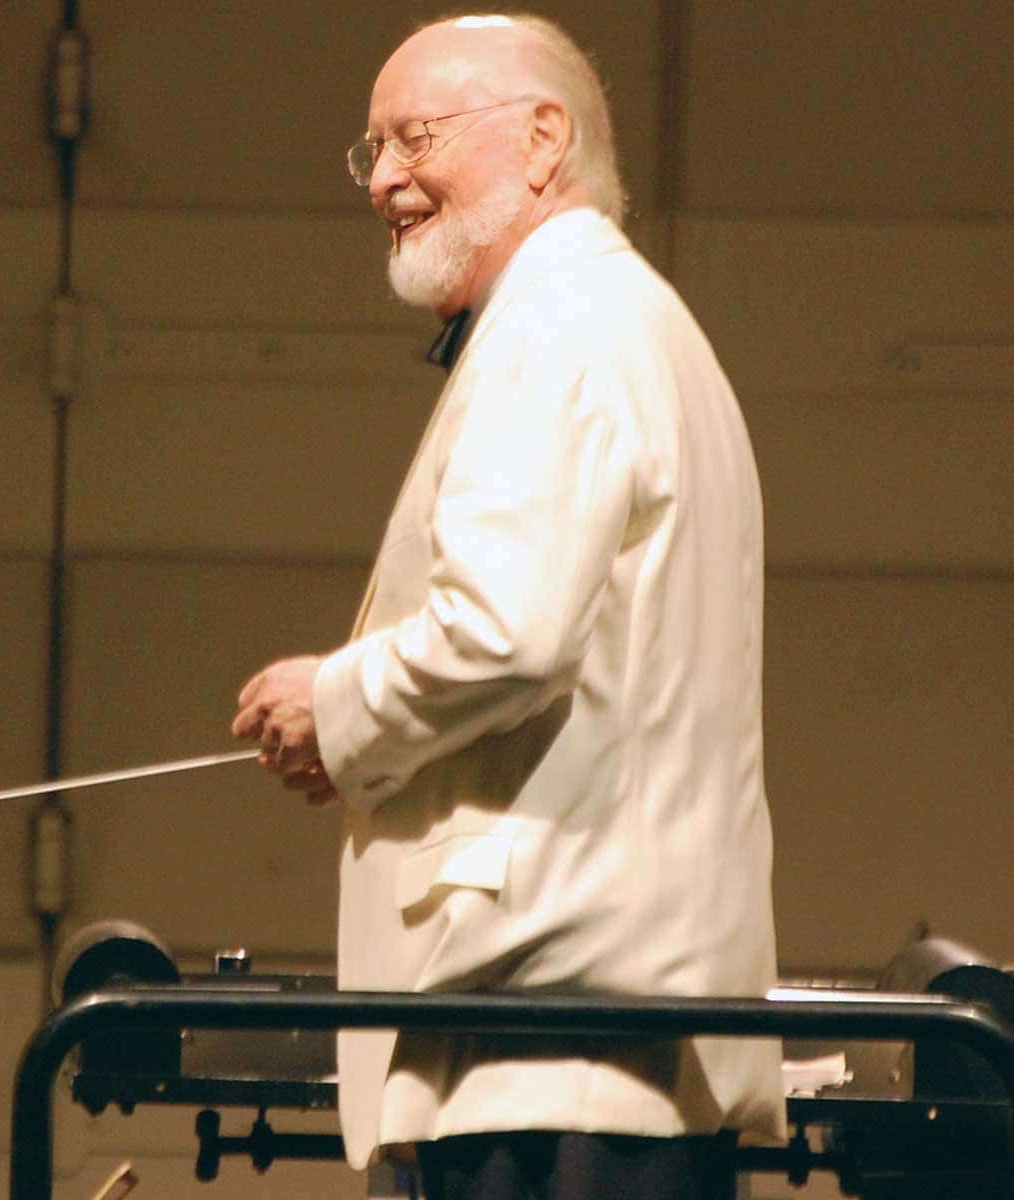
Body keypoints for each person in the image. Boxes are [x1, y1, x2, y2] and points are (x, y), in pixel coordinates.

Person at [233, 13, 783, 1199]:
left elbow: (506, 633)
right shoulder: (618, 318)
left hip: (554, 1045)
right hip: (586, 1034)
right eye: (368, 150)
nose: (383, 177)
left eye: (414, 137)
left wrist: (334, 703)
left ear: (544, 141)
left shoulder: (558, 325)